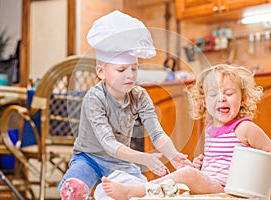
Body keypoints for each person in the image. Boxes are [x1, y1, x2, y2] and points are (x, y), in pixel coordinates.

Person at [58, 10, 192, 200]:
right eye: (121, 69)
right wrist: (144, 158)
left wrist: (173, 155)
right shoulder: (94, 98)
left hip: (120, 161)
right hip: (88, 158)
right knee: (75, 185)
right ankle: (79, 191)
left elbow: (157, 133)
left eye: (134, 69)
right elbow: (109, 143)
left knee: (142, 192)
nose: (130, 75)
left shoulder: (140, 95)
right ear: (101, 72)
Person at [101, 64, 271, 200]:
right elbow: (219, 163)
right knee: (186, 174)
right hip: (214, 185)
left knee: (187, 175)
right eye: (213, 94)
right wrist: (202, 166)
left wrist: (249, 171)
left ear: (243, 99)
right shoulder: (211, 129)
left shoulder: (244, 128)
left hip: (228, 189)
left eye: (229, 93)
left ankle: (134, 191)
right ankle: (145, 190)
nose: (222, 98)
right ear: (204, 102)